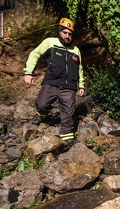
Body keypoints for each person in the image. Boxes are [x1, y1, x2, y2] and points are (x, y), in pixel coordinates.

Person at [23, 18, 85, 147]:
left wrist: (81, 85)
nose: (67, 36)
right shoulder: (50, 42)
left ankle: (67, 136)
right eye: (65, 32)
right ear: (60, 31)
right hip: (51, 82)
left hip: (69, 87)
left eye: (70, 34)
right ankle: (42, 113)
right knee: (42, 103)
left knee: (68, 112)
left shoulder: (76, 50)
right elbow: (35, 54)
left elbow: (79, 69)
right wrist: (29, 72)